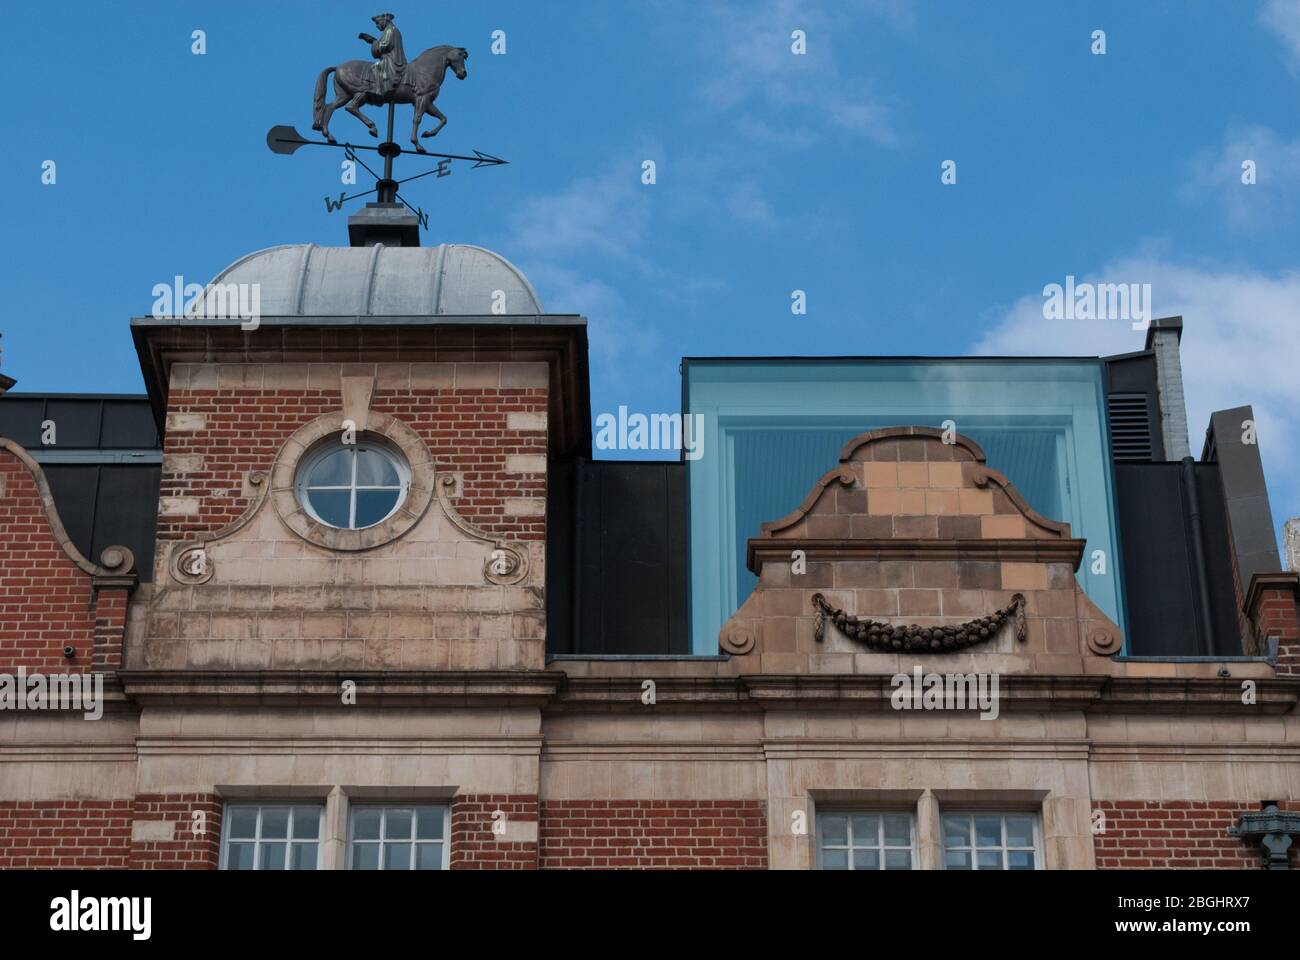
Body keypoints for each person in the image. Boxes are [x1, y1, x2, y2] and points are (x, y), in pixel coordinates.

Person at [359, 13, 406, 97]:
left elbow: (385, 45)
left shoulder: (391, 30)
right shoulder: (388, 30)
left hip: (392, 60)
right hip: (388, 59)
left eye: (377, 23)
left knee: (375, 68)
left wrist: (372, 41)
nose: (377, 26)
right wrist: (374, 41)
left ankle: (378, 90)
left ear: (385, 21)